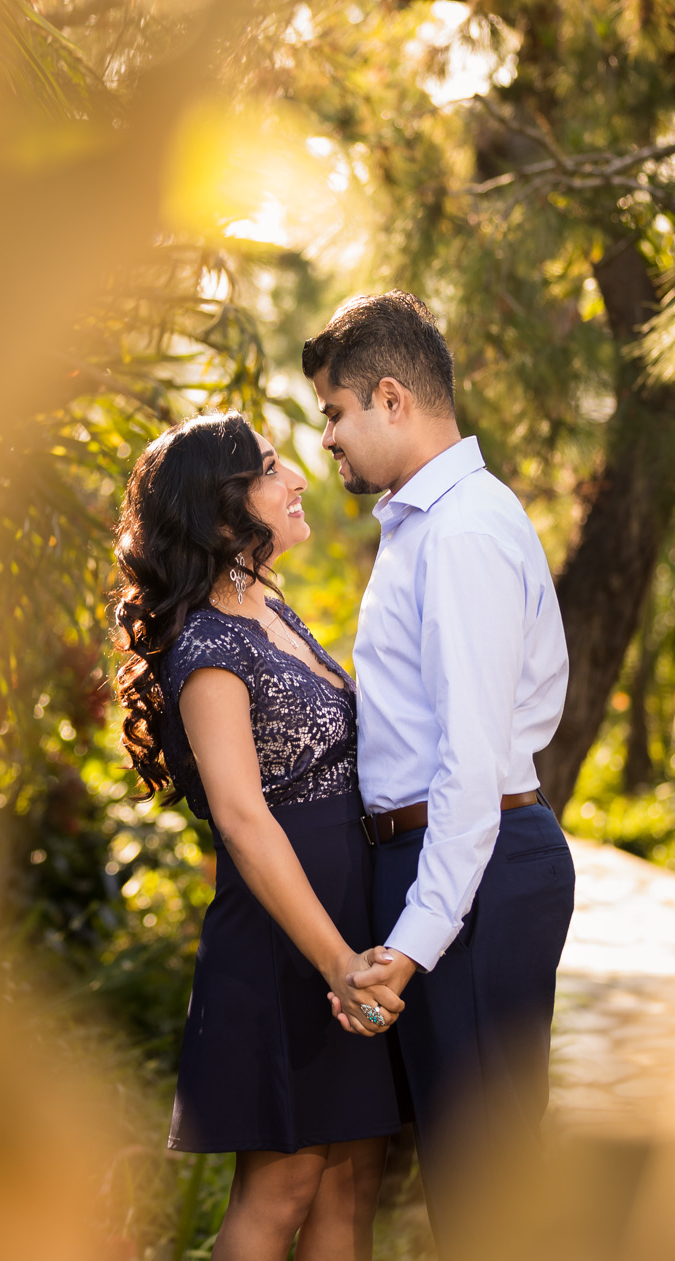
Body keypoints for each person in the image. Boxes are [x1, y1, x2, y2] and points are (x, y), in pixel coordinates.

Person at [304, 292, 576, 1240]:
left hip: (474, 873)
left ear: (391, 398)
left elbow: (467, 764)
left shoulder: (461, 531)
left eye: (334, 414)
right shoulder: (421, 523)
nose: (327, 440)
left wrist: (413, 944)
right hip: (452, 870)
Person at [111, 412, 405, 1261]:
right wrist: (337, 965)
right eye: (272, 468)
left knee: (350, 1185)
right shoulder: (207, 643)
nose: (298, 479)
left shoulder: (268, 607)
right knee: (282, 1192)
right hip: (290, 946)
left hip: (343, 926)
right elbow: (242, 817)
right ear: (222, 505)